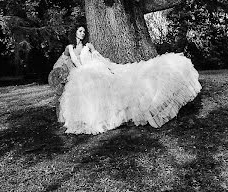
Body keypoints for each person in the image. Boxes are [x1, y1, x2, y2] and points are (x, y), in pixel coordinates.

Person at [57, 25, 201, 135]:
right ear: (74, 32)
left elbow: (97, 57)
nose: (82, 33)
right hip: (82, 72)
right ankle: (88, 119)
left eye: (83, 31)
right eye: (80, 31)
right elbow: (73, 60)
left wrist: (103, 62)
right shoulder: (70, 47)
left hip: (94, 68)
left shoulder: (88, 46)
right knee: (85, 91)